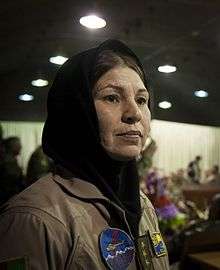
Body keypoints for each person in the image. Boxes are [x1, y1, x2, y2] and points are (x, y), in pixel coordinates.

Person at [0, 40, 169, 269]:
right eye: (112, 97)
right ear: (77, 110)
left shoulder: (142, 206)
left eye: (141, 100)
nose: (134, 113)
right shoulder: (33, 220)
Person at [0, 136, 24, 204]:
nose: (21, 147)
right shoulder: (8, 162)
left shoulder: (12, 160)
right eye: (19, 145)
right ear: (13, 146)